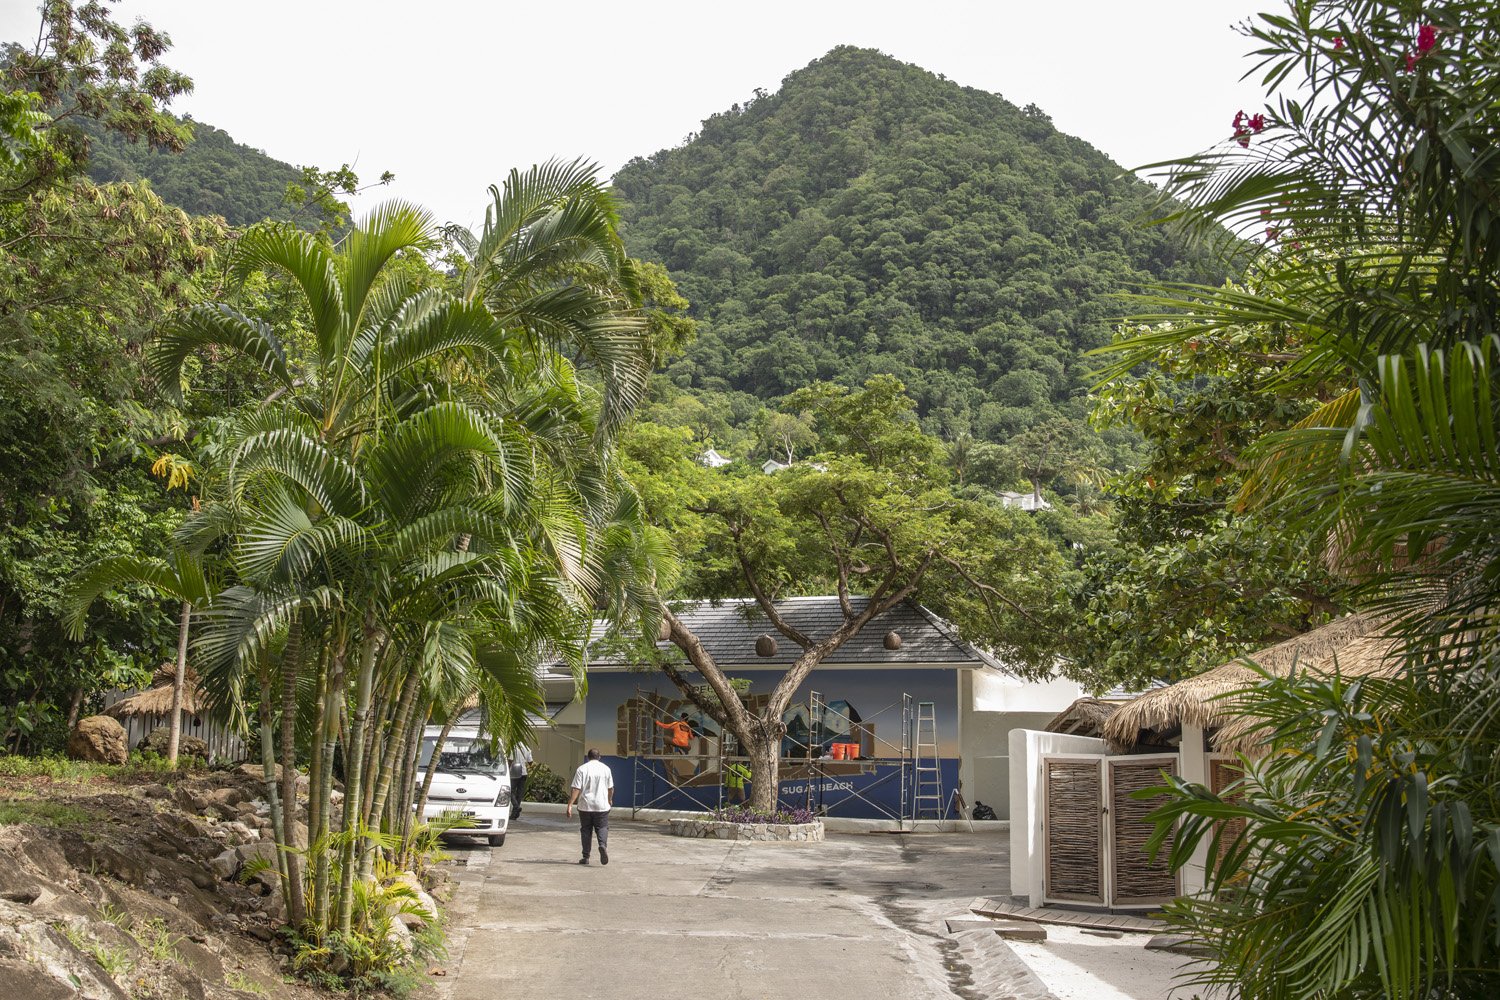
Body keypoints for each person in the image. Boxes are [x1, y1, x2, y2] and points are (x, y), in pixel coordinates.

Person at [566, 748, 614, 865]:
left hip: (585, 805)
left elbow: (576, 788)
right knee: (602, 827)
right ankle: (602, 845)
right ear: (599, 757)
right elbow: (610, 788)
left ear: (588, 757)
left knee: (586, 830)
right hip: (601, 805)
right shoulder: (606, 769)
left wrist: (570, 804)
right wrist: (609, 799)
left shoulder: (582, 769)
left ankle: (586, 856)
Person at [508, 742, 532, 819]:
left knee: (510, 791)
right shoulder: (527, 747)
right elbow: (530, 761)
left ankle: (516, 806)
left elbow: (510, 760)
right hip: (524, 772)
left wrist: (507, 770)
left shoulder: (513, 747)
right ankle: (515, 814)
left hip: (514, 772)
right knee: (519, 794)